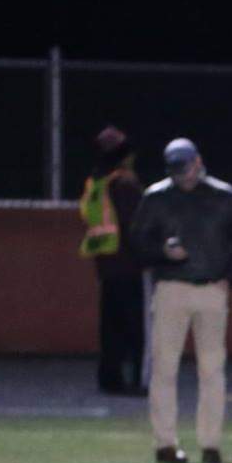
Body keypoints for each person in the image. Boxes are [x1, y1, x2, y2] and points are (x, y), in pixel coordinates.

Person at [130, 138, 232, 463]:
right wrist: (162, 253)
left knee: (212, 369)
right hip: (171, 288)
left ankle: (210, 444)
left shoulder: (224, 196)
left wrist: (230, 277)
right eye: (177, 171)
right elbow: (138, 242)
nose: (183, 176)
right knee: (164, 368)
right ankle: (165, 443)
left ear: (197, 162)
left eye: (185, 168)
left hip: (211, 287)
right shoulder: (156, 197)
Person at [78, 126, 147, 395]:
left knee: (110, 327)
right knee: (133, 327)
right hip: (129, 264)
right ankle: (132, 381)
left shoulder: (97, 182)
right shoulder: (125, 183)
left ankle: (110, 378)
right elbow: (135, 225)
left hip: (106, 263)